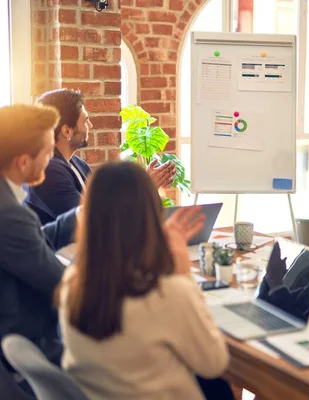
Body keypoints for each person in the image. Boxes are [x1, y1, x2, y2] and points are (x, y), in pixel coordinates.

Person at [58, 162, 232, 400]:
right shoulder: (167, 291)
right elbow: (215, 363)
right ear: (150, 214)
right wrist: (183, 273)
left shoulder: (72, 283)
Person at [25, 88, 177, 225]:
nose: (90, 126)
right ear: (67, 131)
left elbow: (103, 204)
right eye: (85, 121)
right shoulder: (49, 170)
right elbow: (92, 219)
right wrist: (143, 187)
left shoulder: (78, 164)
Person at [0, 104, 77, 368]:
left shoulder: (8, 205)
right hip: (33, 347)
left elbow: (32, 242)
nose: (51, 159)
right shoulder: (9, 214)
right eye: (47, 153)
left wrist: (79, 216)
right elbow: (65, 284)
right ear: (23, 162)